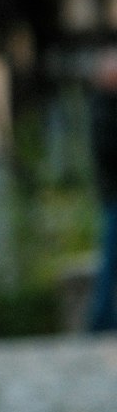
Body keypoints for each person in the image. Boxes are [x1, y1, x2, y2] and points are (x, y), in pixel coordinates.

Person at [87, 48, 117, 333]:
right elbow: (107, 151)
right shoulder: (103, 107)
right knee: (110, 261)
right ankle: (101, 321)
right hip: (113, 195)